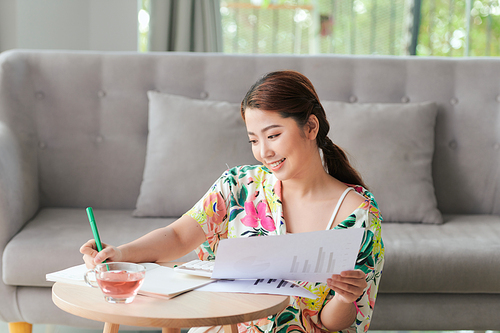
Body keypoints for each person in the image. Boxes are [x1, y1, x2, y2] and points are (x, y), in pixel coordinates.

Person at [81, 70, 384, 333]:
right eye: (254, 140)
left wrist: (346, 297)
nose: (263, 152)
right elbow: (177, 236)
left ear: (311, 128)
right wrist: (119, 253)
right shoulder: (239, 185)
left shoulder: (357, 214)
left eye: (273, 135)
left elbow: (336, 323)